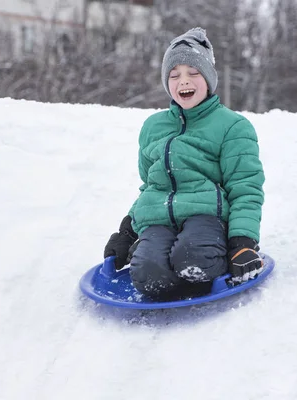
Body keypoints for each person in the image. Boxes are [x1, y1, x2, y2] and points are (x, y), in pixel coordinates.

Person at [104, 27, 265, 299]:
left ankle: (214, 255)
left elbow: (245, 188)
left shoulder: (233, 126)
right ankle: (161, 264)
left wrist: (242, 242)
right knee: (146, 273)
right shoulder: (153, 127)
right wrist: (127, 231)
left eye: (193, 72)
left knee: (194, 259)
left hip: (207, 217)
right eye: (174, 75)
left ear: (209, 79)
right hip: (158, 222)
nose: (183, 81)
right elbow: (151, 186)